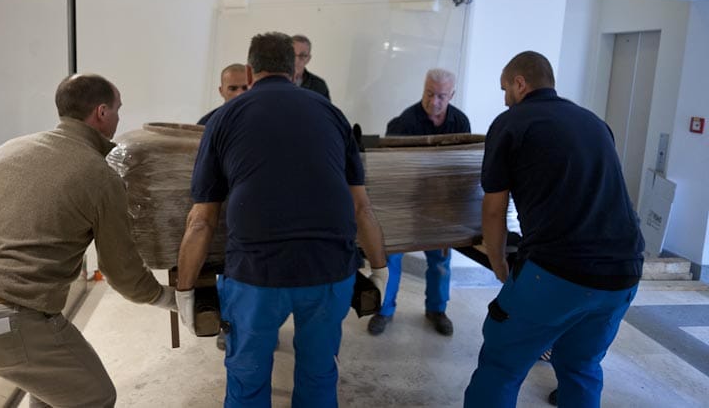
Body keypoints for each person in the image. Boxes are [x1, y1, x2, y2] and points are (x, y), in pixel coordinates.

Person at [0, 74, 178, 408]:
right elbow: (121, 271)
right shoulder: (99, 176)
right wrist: (166, 298)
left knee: (56, 387)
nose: (119, 117)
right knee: (94, 396)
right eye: (118, 109)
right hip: (2, 318)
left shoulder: (7, 150)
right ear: (102, 112)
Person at [176, 32, 388, 407]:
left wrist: (185, 291)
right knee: (319, 375)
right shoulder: (332, 113)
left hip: (256, 274)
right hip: (328, 268)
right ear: (294, 69)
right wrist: (380, 270)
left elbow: (201, 221)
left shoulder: (224, 119)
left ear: (249, 72)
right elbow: (362, 207)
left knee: (248, 378)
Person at [464, 51, 644, 408]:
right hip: (624, 273)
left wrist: (498, 263)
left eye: (505, 89)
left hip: (557, 271)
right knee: (581, 366)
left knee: (501, 365)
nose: (504, 99)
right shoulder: (594, 122)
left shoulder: (512, 123)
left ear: (520, 83)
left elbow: (494, 208)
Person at [368, 68, 470, 337]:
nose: (434, 101)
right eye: (429, 93)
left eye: (441, 96)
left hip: (440, 207)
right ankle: (383, 310)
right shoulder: (404, 123)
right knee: (390, 260)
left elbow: (463, 171)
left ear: (452, 95)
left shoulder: (460, 122)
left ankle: (437, 310)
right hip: (404, 205)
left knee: (440, 261)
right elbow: (390, 171)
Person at [292, 34, 330, 100]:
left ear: (308, 59)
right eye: (292, 54)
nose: (296, 60)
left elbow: (324, 107)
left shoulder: (318, 86)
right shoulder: (274, 80)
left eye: (302, 55)